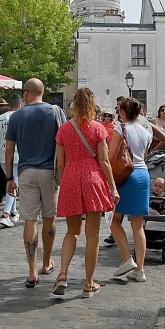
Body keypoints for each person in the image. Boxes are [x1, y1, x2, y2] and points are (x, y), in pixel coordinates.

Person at [54, 88, 118, 298]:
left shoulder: (64, 129)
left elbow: (60, 163)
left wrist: (66, 183)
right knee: (92, 235)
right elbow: (104, 161)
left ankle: (62, 274)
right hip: (92, 179)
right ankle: (88, 283)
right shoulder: (98, 128)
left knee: (72, 232)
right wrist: (112, 187)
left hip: (71, 177)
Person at [5, 78, 62, 288]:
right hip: (49, 172)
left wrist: (9, 178)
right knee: (49, 218)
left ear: (27, 93)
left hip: (26, 172)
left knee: (30, 220)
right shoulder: (55, 111)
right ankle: (46, 263)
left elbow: (9, 148)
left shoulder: (17, 116)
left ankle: (32, 271)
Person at [110, 97, 152, 282]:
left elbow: (111, 155)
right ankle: (140, 270)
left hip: (127, 175)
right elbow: (143, 155)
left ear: (124, 113)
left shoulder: (121, 128)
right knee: (138, 226)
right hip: (144, 175)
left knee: (114, 221)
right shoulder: (145, 132)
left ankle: (127, 258)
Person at [0, 94, 23, 228]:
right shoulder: (21, 117)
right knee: (13, 183)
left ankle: (13, 212)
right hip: (18, 154)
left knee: (11, 180)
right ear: (19, 105)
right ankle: (5, 214)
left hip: (2, 155)